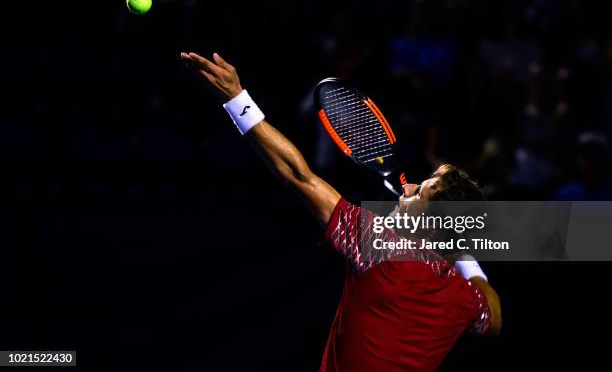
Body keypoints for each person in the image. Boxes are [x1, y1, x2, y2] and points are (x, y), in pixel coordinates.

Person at [180, 51, 502, 371]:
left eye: (419, 192)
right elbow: (494, 316)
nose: (407, 189)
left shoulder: (380, 249)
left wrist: (237, 98)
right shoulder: (465, 299)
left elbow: (298, 175)